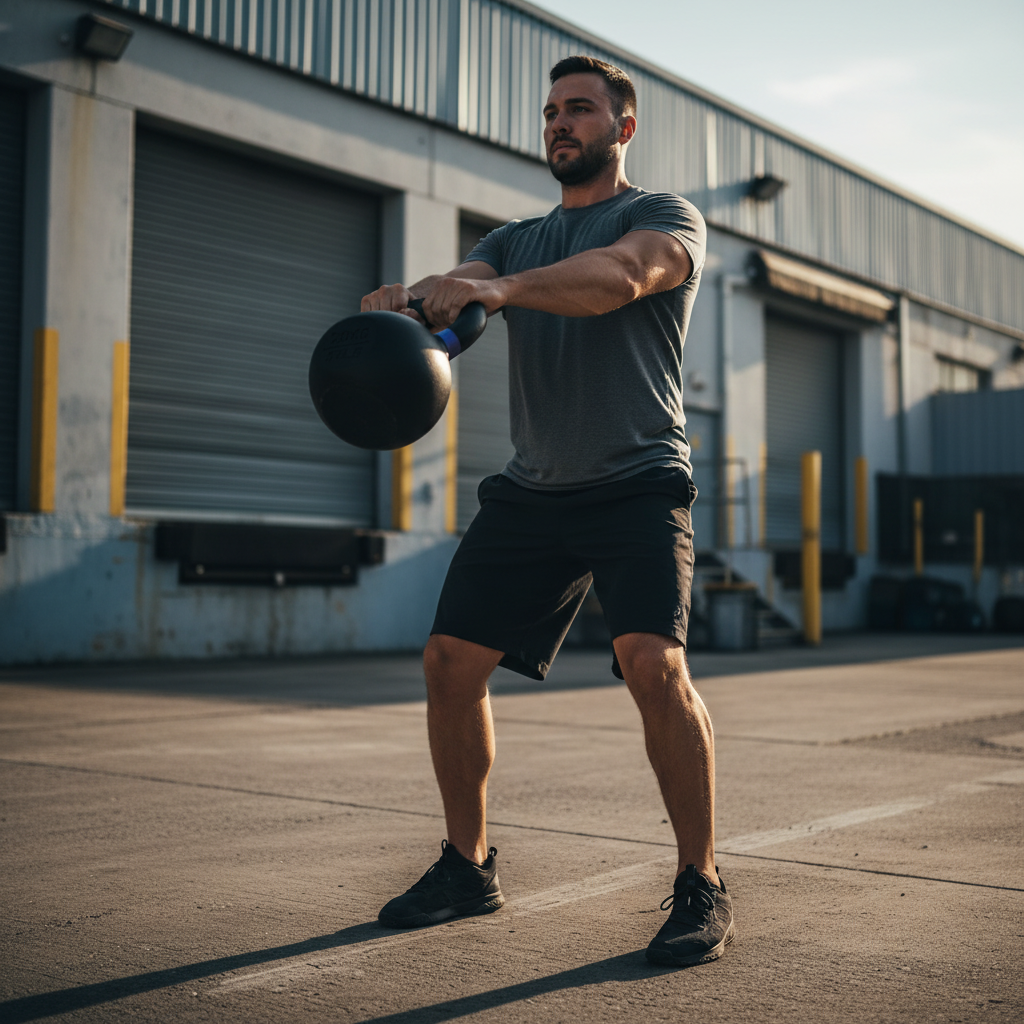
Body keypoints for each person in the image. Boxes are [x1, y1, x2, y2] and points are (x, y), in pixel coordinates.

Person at [360, 54, 734, 967]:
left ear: (622, 128)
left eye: (581, 109)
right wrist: (400, 313)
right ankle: (468, 866)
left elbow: (617, 279)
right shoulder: (512, 238)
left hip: (640, 477)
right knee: (450, 662)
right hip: (534, 488)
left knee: (652, 663)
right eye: (551, 113)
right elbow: (454, 309)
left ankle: (703, 883)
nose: (561, 123)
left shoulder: (661, 218)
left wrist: (495, 289)